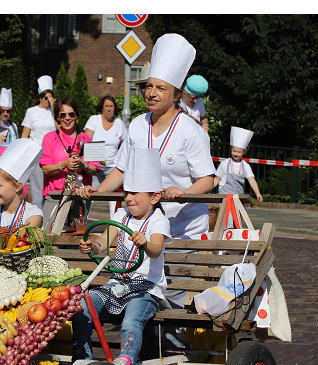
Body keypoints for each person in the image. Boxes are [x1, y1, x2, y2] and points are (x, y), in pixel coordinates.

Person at [76, 33, 215, 310]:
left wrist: (183, 193)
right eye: (149, 86)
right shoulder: (138, 125)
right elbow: (121, 169)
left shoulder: (191, 131)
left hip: (183, 228)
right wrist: (97, 190)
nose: (151, 93)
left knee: (177, 298)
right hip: (144, 225)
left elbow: (208, 180)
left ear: (177, 94)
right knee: (143, 295)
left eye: (161, 88)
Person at [72, 148, 171, 365]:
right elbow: (105, 239)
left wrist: (145, 243)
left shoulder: (158, 221)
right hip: (118, 286)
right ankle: (82, 362)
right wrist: (93, 246)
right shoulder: (122, 215)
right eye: (127, 192)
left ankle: (125, 363)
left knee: (131, 320)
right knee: (81, 306)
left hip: (147, 289)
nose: (128, 198)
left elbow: (156, 249)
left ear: (154, 197)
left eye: (135, 193)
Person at [40, 98, 98, 225]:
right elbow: (45, 169)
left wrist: (83, 165)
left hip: (80, 195)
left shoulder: (86, 138)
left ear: (76, 116)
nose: (67, 118)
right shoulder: (49, 138)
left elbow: (95, 169)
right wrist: (64, 164)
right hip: (56, 195)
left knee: (77, 239)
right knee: (49, 237)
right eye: (63, 115)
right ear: (58, 118)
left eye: (71, 114)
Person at [84, 95, 127, 218]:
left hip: (112, 167)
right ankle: (83, 223)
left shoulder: (119, 123)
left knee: (114, 198)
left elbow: (126, 145)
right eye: (106, 106)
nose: (109, 109)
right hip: (94, 166)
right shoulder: (94, 119)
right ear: (101, 108)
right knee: (90, 193)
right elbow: (86, 140)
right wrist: (97, 156)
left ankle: (114, 226)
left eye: (111, 106)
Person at [21, 75, 57, 209]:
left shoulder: (56, 112)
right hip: (37, 153)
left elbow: (60, 129)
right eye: (44, 97)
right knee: (37, 187)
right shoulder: (31, 111)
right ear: (40, 97)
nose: (47, 100)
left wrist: (55, 109)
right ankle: (38, 215)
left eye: (49, 97)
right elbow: (25, 134)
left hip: (52, 155)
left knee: (51, 187)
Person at [214, 126, 263, 202]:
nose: (236, 154)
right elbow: (217, 179)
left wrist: (257, 193)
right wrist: (208, 189)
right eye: (234, 151)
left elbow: (251, 180)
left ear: (244, 152)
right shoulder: (224, 163)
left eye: (239, 152)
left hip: (238, 199)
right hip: (223, 197)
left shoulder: (246, 166)